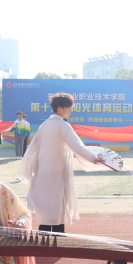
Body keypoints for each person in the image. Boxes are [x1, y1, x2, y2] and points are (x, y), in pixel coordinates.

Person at [18, 93, 102, 233]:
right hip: (57, 174)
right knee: (59, 208)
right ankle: (59, 239)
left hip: (43, 173)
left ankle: (43, 240)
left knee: (45, 208)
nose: (70, 110)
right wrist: (93, 157)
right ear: (60, 108)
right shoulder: (63, 125)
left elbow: (33, 148)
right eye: (69, 107)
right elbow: (76, 145)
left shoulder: (44, 125)